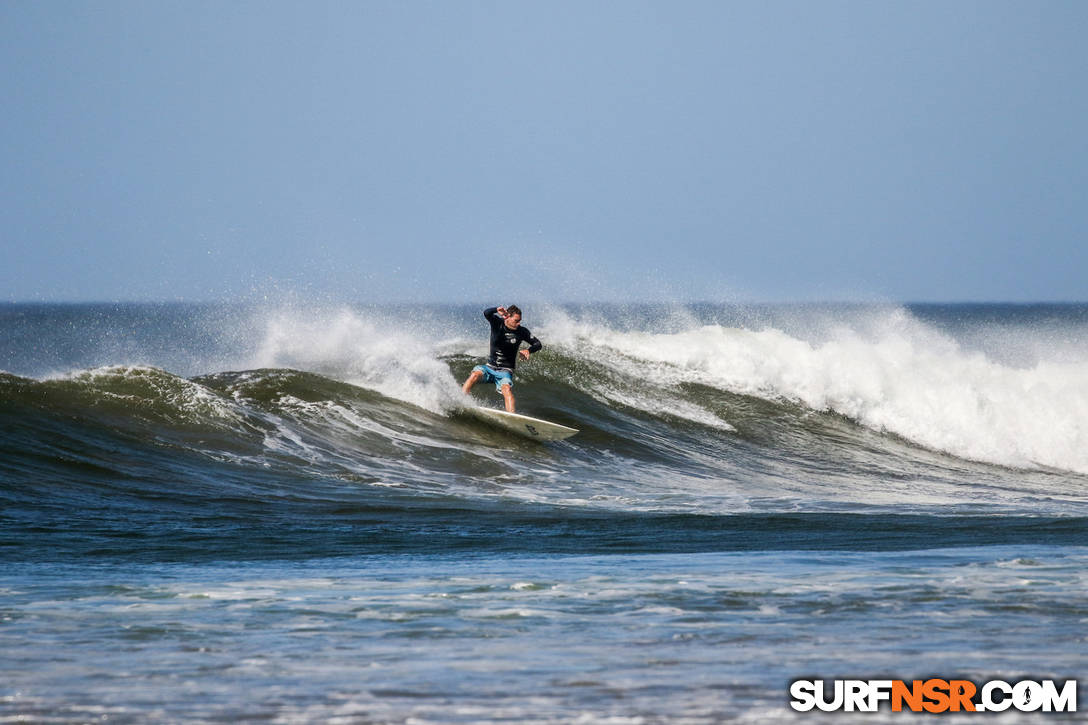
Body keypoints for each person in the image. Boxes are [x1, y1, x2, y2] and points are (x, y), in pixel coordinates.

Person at [462, 305, 542, 413]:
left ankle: (512, 417)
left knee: (506, 389)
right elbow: (486, 313)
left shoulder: (522, 331)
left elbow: (538, 344)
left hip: (505, 371)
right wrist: (496, 309)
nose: (518, 323)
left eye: (520, 321)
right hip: (489, 367)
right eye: (516, 321)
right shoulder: (497, 323)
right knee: (475, 374)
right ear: (507, 317)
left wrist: (529, 350)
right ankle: (462, 401)